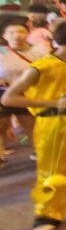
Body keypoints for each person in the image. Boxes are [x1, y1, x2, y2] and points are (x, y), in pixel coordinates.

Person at [2, 21, 66, 230]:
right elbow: (9, 97)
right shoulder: (41, 66)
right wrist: (52, 103)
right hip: (53, 122)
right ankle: (47, 216)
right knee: (52, 169)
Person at [0, 17, 47, 160]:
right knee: (1, 126)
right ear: (4, 35)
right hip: (3, 94)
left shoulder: (40, 52)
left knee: (31, 127)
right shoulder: (1, 53)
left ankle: (42, 154)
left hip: (27, 95)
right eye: (11, 32)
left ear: (28, 33)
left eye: (20, 31)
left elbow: (47, 72)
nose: (16, 35)